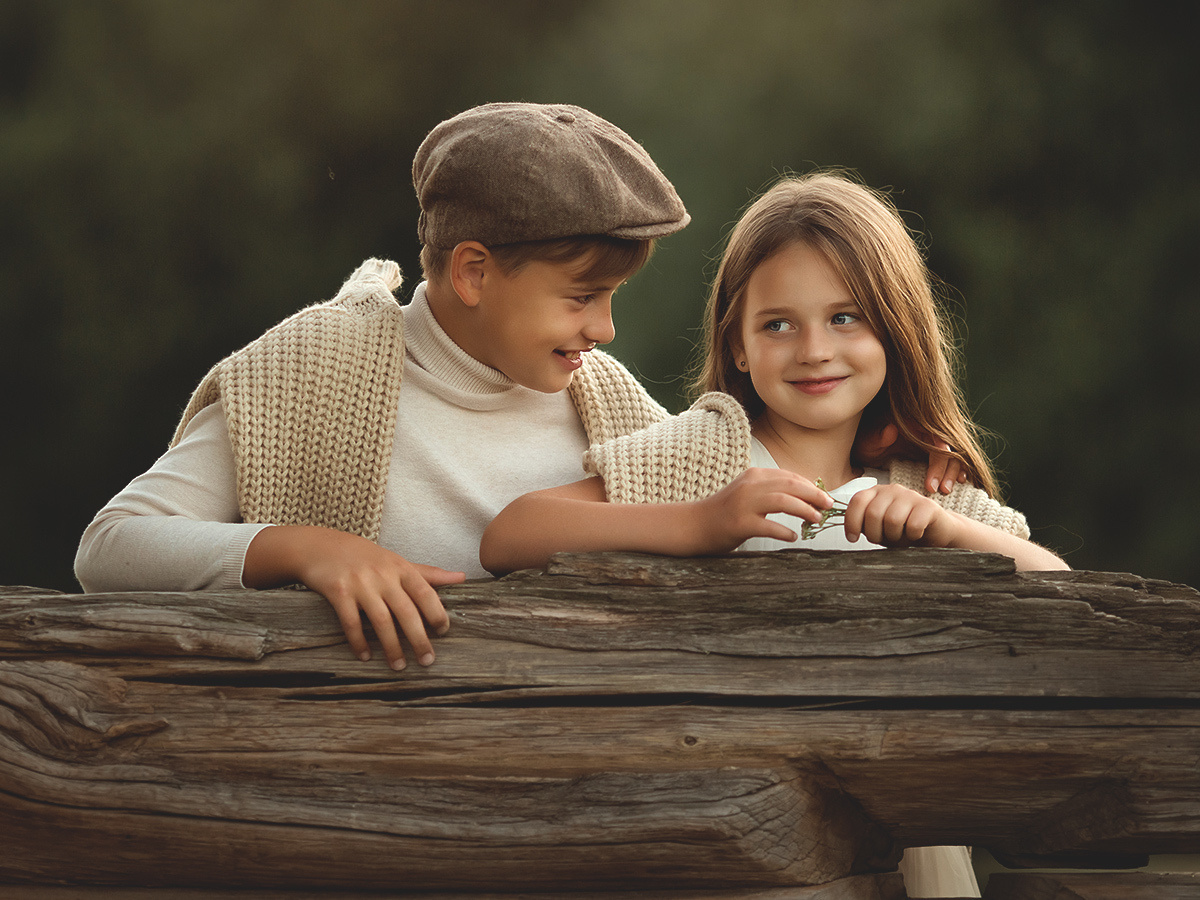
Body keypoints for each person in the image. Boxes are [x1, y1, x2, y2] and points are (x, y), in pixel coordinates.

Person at [480, 171, 1069, 898]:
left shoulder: (919, 485)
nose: (813, 349)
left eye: (846, 317)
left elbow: (1059, 590)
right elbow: (511, 534)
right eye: (778, 324)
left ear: (896, 328)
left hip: (899, 850)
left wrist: (943, 531)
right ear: (736, 344)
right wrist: (699, 522)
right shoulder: (706, 455)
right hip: (729, 835)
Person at [74, 102, 691, 671]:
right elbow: (109, 549)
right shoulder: (308, 377)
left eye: (612, 299)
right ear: (473, 272)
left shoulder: (612, 409)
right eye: (582, 297)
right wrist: (309, 551)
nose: (606, 330)